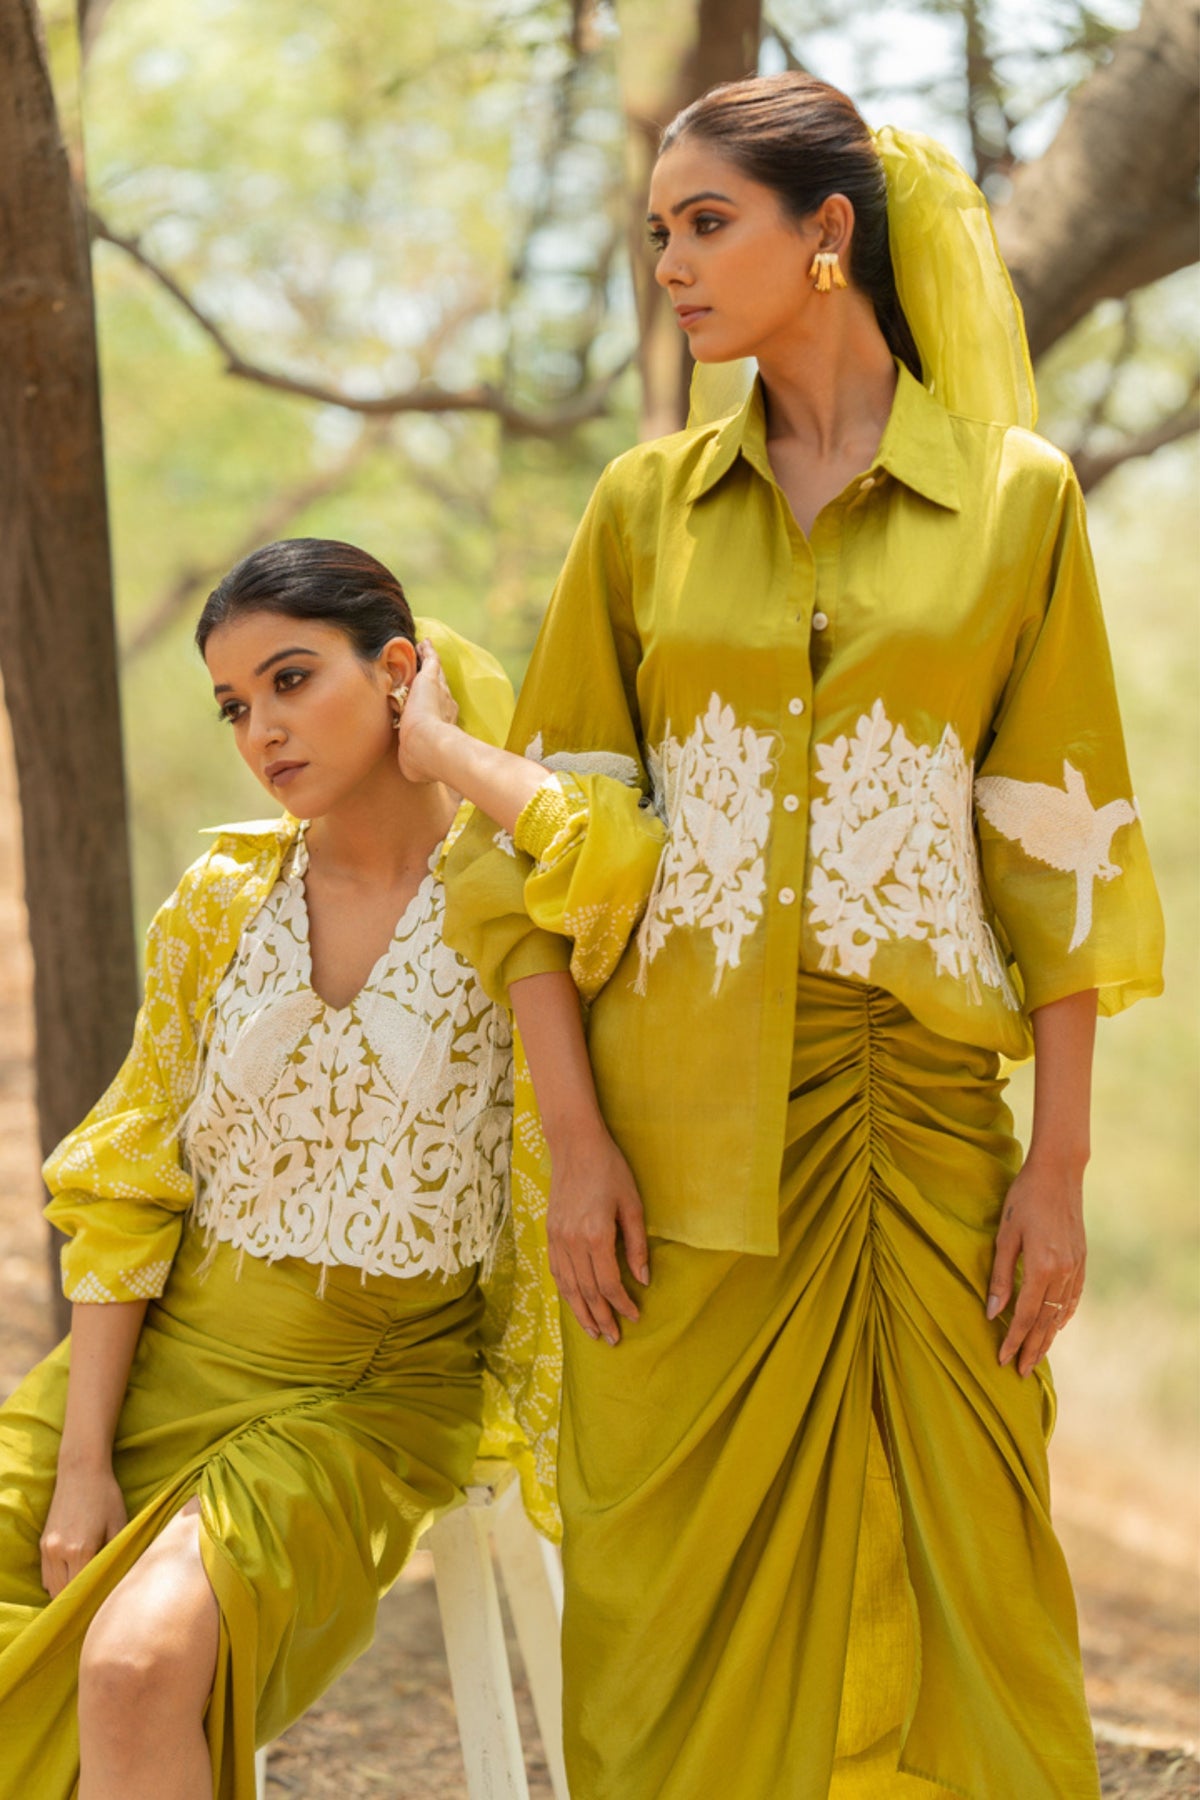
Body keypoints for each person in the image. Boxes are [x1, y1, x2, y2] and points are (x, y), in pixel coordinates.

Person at [397, 72, 1165, 1800]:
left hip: (926, 1139)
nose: (669, 262)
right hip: (671, 1154)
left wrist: (1060, 1168)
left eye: (706, 224)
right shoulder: (639, 509)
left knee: (973, 1579)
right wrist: (575, 1143)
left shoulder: (1021, 503)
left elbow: (1066, 852)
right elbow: (547, 858)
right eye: (658, 230)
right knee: (662, 1607)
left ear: (828, 237)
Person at [0, 539, 545, 1800]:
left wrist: (456, 760)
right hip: (168, 1351)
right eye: (237, 706)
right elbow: (129, 1177)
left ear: (397, 670)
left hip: (365, 1386)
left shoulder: (516, 897)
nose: (264, 731)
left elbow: (632, 874)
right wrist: (84, 1464)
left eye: (293, 680)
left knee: (136, 1667)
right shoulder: (220, 901)